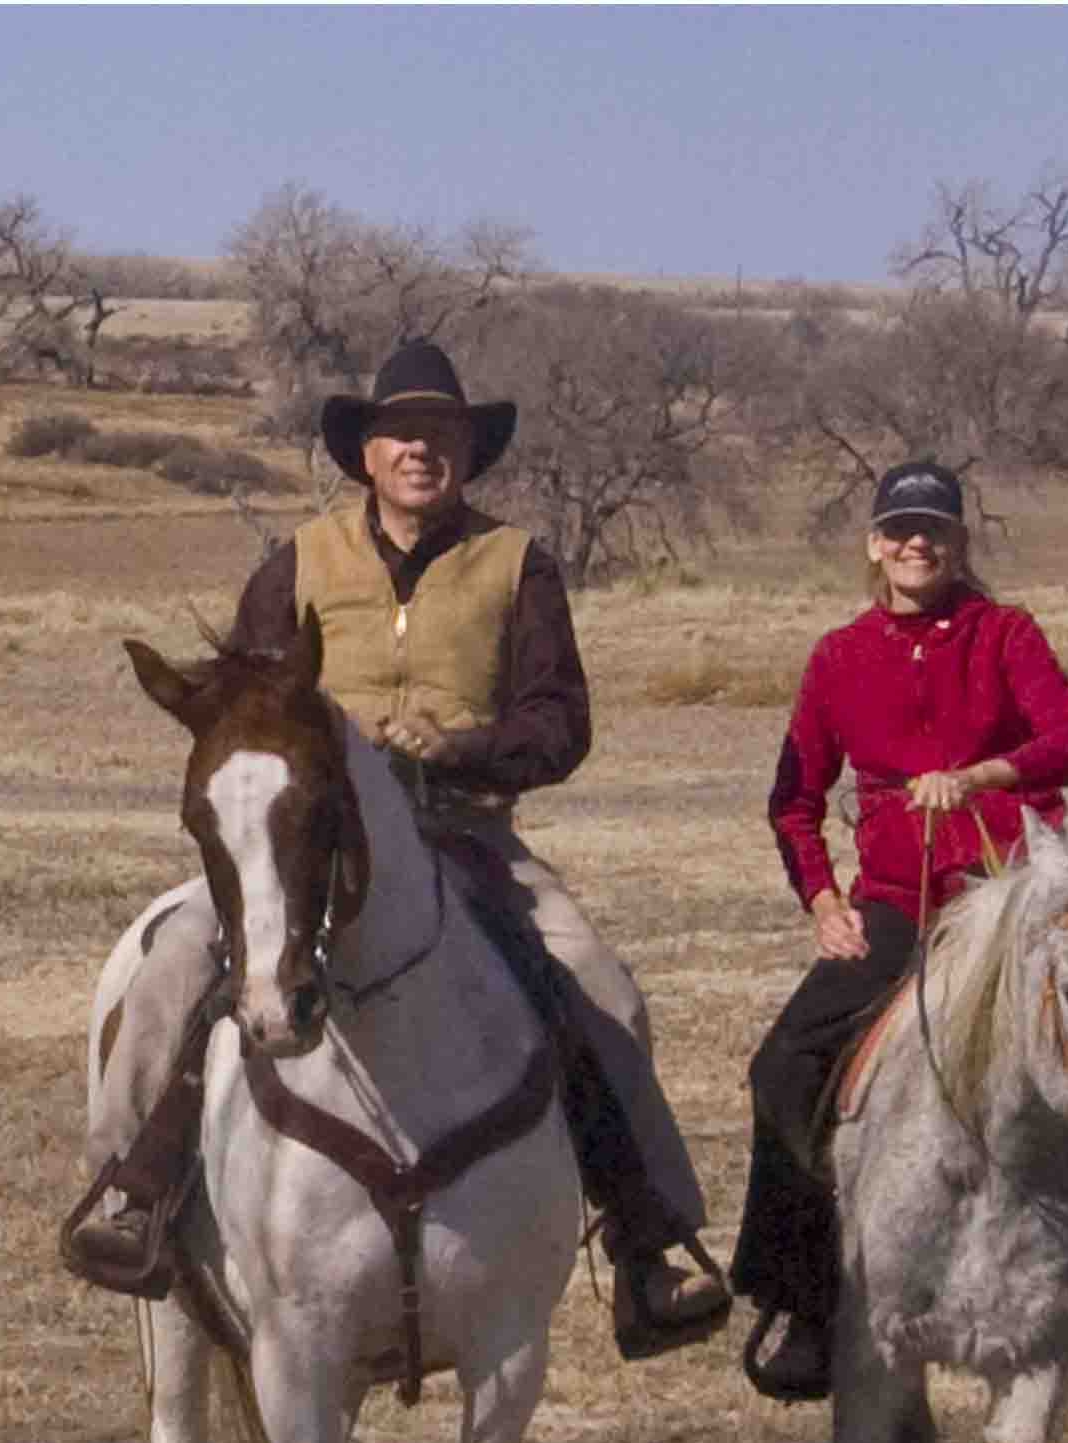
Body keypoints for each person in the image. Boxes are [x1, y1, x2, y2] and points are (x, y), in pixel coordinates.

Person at [66, 340, 729, 1358]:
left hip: (466, 835)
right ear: (365, 453)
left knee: (599, 982)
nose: (422, 449)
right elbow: (245, 698)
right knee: (170, 965)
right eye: (402, 434)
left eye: (443, 434)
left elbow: (560, 721)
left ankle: (649, 1235)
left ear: (468, 452)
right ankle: (134, 1188)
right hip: (299, 840)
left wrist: (465, 747)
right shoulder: (297, 558)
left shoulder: (517, 562)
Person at [731, 459, 1068, 1403]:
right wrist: (824, 901)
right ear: (874, 544)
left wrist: (982, 777)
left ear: (958, 542)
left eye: (934, 529)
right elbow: (795, 800)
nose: (916, 544)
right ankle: (802, 1301)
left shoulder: (1006, 634)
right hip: (902, 909)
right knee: (782, 1067)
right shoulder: (837, 657)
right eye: (899, 529)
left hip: (1019, 896)